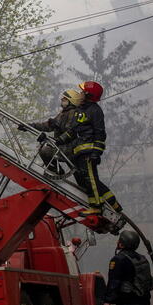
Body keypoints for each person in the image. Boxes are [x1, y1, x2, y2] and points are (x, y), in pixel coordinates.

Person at [55, 80, 122, 213]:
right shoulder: (81, 110)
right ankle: (113, 204)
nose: (80, 93)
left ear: (88, 95)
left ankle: (96, 207)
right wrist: (58, 141)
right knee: (88, 181)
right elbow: (73, 130)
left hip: (88, 151)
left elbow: (100, 132)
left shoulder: (95, 111)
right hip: (79, 151)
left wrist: (96, 152)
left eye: (82, 91)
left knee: (90, 180)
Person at [24, 88, 83, 173]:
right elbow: (48, 126)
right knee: (79, 175)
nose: (62, 100)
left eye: (65, 99)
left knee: (45, 151)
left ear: (71, 101)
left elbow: (71, 131)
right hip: (63, 147)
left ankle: (56, 171)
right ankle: (56, 170)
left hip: (69, 149)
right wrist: (30, 126)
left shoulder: (74, 114)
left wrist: (57, 137)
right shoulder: (64, 113)